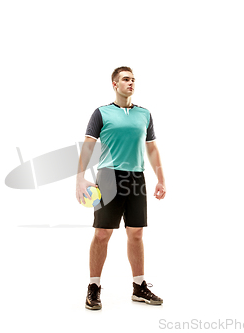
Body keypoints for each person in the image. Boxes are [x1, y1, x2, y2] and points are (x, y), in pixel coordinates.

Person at [75, 66, 166, 310]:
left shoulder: (144, 114)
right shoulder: (101, 113)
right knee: (102, 233)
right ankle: (93, 287)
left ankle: (139, 287)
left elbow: (152, 148)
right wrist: (80, 178)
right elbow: (88, 145)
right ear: (115, 84)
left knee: (136, 233)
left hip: (136, 178)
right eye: (125, 79)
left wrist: (161, 179)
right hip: (108, 177)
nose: (131, 83)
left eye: (133, 79)